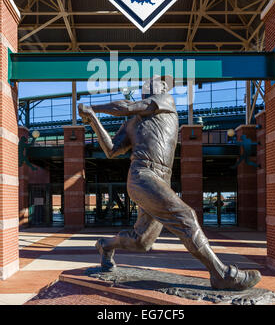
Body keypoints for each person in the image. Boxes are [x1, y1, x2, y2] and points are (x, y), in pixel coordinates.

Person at [78, 75, 261, 291]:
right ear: (147, 87)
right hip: (142, 175)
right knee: (187, 216)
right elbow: (111, 150)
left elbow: (128, 106)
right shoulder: (130, 124)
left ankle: (105, 245)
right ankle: (221, 274)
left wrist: (93, 107)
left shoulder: (165, 102)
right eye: (160, 83)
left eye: (165, 85)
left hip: (160, 178)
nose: (165, 87)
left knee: (141, 242)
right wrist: (93, 119)